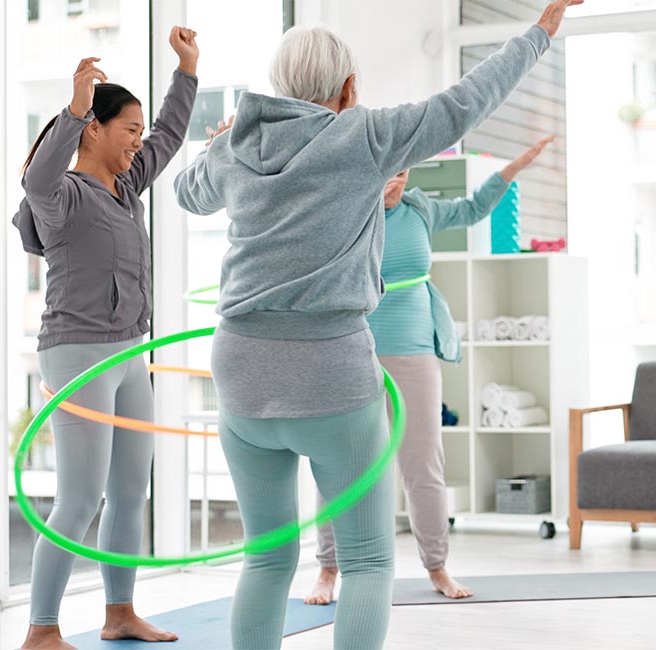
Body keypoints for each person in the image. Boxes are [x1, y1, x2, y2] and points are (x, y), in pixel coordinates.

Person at [171, 2, 578, 647]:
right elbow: (468, 100)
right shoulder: (363, 137)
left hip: (242, 367)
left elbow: (186, 193)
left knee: (267, 556)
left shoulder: (239, 144)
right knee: (365, 561)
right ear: (349, 88)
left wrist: (218, 144)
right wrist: (542, 30)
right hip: (329, 366)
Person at [303, 136, 557, 606]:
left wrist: (511, 169)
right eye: (385, 174)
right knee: (338, 466)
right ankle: (327, 569)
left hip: (415, 351)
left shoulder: (421, 209)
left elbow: (472, 208)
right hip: (352, 351)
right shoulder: (345, 214)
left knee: (423, 465)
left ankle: (437, 566)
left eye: (401, 173)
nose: (393, 183)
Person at [11, 27, 200, 650]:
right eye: (128, 129)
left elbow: (171, 137)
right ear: (94, 129)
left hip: (129, 352)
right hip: (78, 352)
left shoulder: (125, 186)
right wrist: (71, 107)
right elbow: (35, 180)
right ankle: (41, 629)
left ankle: (119, 613)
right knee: (80, 497)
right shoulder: (62, 196)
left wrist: (187, 70)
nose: (138, 141)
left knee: (127, 493)